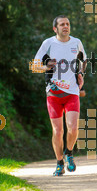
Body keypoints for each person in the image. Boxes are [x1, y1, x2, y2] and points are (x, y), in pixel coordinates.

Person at [34, 15, 87, 176]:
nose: (66, 26)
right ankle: (59, 163)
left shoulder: (76, 42)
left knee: (73, 128)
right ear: (55, 28)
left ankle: (69, 153)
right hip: (53, 93)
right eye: (62, 24)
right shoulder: (48, 43)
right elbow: (35, 65)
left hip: (72, 92)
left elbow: (83, 60)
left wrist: (81, 74)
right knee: (57, 131)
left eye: (68, 24)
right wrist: (46, 67)